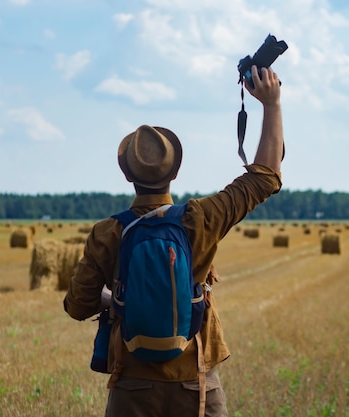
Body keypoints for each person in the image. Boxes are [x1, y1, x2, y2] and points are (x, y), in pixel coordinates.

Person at [63, 65, 283, 417]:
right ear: (176, 172)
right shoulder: (200, 219)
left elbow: (77, 305)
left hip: (131, 386)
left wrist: (116, 299)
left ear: (126, 174)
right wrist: (271, 104)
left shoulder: (108, 233)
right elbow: (264, 179)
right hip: (196, 385)